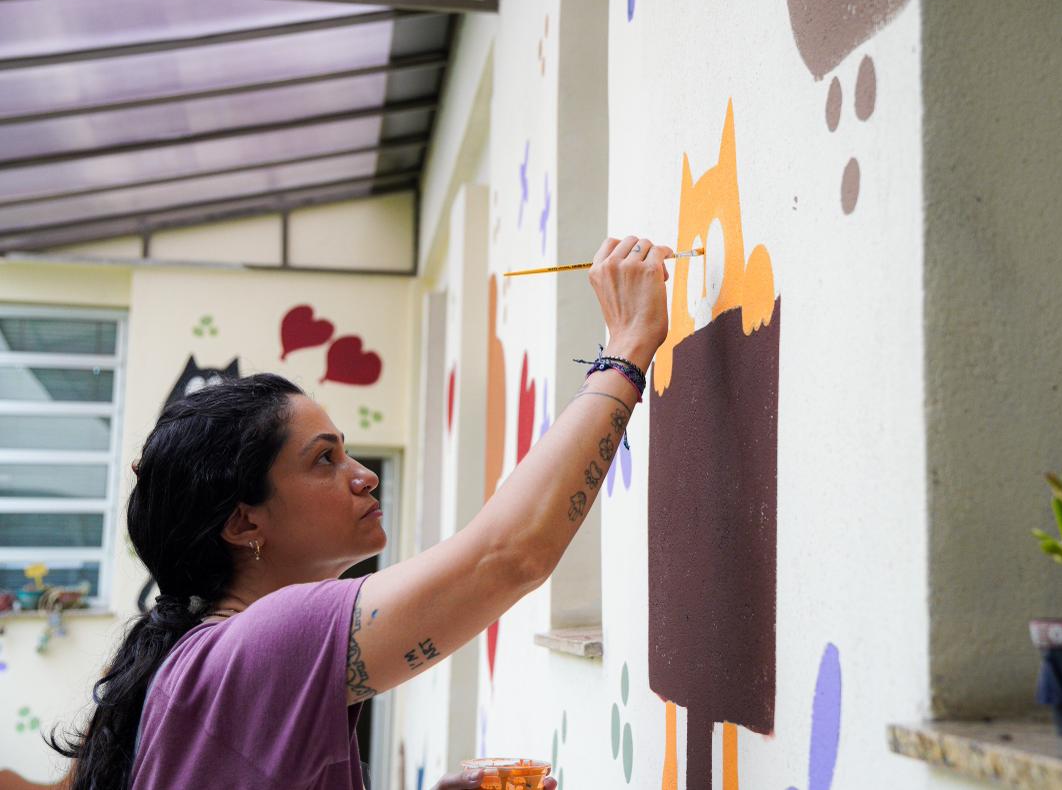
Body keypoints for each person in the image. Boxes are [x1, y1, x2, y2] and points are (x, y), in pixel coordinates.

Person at [47, 237, 674, 790]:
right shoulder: (266, 638)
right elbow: (506, 556)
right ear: (244, 524)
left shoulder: (207, 658)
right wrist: (627, 345)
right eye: (324, 460)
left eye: (347, 450)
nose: (364, 475)